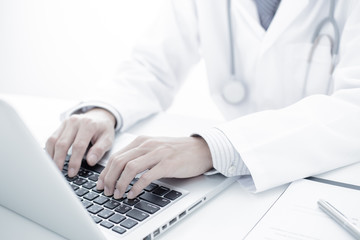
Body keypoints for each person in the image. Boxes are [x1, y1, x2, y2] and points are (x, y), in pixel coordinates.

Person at [46, 0, 360, 200]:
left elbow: (354, 108)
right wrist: (104, 111)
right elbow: (153, 65)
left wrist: (212, 147)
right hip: (238, 186)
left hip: (328, 182)